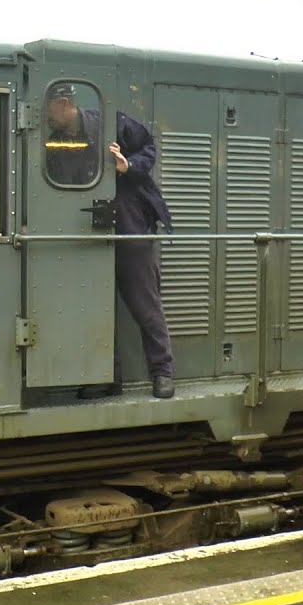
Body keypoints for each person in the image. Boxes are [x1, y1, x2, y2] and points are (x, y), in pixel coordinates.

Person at [45, 83, 175, 399]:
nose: (45, 116)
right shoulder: (53, 143)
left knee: (145, 304)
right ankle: (107, 377)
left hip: (128, 224)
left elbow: (149, 149)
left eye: (48, 108)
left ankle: (163, 373)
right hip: (88, 228)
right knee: (97, 306)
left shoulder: (111, 124)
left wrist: (127, 166)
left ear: (63, 104)